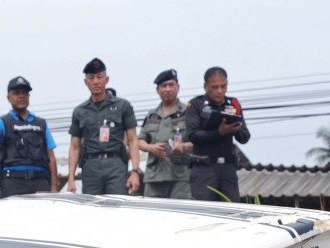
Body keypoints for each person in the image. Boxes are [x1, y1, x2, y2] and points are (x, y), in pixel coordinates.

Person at [0, 76, 58, 198]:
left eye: (25, 93)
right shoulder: (2, 122)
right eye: (16, 93)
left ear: (29, 97)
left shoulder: (41, 124)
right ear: (8, 98)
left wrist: (54, 189)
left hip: (40, 183)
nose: (21, 96)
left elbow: (52, 158)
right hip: (12, 183)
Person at [67, 58, 140, 195]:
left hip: (116, 165)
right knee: (92, 209)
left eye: (100, 77)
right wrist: (71, 177)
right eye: (91, 77)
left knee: (117, 207)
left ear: (107, 79)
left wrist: (135, 171)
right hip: (91, 167)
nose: (96, 81)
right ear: (85, 82)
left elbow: (133, 140)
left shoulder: (123, 106)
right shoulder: (79, 111)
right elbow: (75, 146)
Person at [184, 66, 250, 202]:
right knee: (204, 212)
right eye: (214, 87)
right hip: (204, 168)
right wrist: (219, 132)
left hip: (228, 168)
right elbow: (193, 135)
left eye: (223, 86)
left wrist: (236, 128)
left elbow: (245, 137)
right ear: (205, 86)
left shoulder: (233, 104)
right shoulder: (196, 105)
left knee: (232, 211)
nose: (219, 91)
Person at [138, 69, 193, 199]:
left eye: (171, 85)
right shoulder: (152, 114)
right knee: (152, 214)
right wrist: (151, 148)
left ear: (178, 87)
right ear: (158, 90)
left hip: (181, 176)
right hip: (154, 175)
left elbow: (199, 141)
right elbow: (139, 141)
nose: (167, 89)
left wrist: (183, 147)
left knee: (180, 214)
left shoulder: (188, 112)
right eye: (164, 86)